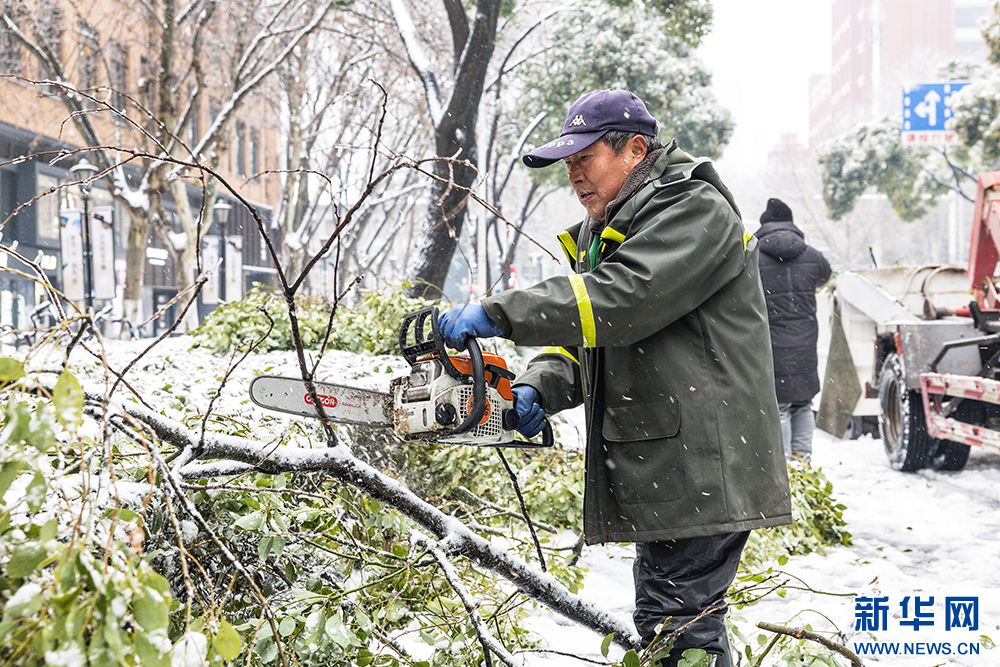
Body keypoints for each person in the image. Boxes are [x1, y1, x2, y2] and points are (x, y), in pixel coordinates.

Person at [438, 89, 791, 667]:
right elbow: (594, 335)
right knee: (670, 618)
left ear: (634, 149)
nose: (574, 175)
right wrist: (540, 384)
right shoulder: (612, 227)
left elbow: (622, 301)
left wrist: (499, 313)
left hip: (705, 462)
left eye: (584, 159)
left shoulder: (693, 209)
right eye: (568, 165)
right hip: (675, 465)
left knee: (679, 627)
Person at [754, 198, 832, 463]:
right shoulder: (811, 255)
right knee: (803, 404)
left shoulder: (752, 255)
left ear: (765, 224)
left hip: (772, 343)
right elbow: (824, 275)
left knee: (780, 406)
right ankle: (803, 462)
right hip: (806, 342)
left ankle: (786, 467)